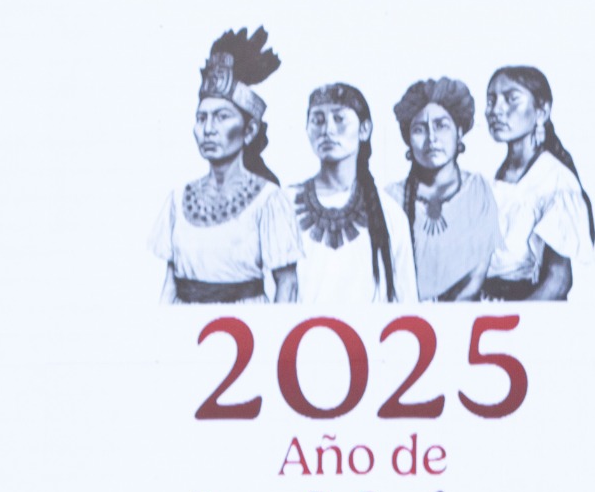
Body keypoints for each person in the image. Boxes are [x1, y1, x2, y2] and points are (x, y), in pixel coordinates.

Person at [151, 27, 300, 303]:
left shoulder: (269, 201)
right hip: (185, 322)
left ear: (249, 130)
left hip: (247, 322)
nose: (208, 129)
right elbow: (170, 283)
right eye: (201, 118)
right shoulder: (177, 200)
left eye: (221, 117)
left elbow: (287, 285)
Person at [483, 65, 594, 301]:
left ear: (541, 112)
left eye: (511, 99)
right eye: (491, 101)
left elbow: (559, 281)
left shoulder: (556, 181)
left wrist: (516, 319)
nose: (496, 110)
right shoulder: (492, 180)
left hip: (527, 309)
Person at [291, 83, 398, 306]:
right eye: (318, 120)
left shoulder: (390, 213)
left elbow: (405, 302)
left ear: (364, 129)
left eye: (339, 119)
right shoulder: (285, 204)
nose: (327, 130)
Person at [392, 78, 498, 302]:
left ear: (459, 132)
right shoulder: (390, 199)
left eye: (441, 126)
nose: (432, 138)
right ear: (408, 139)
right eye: (419, 129)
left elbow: (476, 275)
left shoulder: (477, 191)